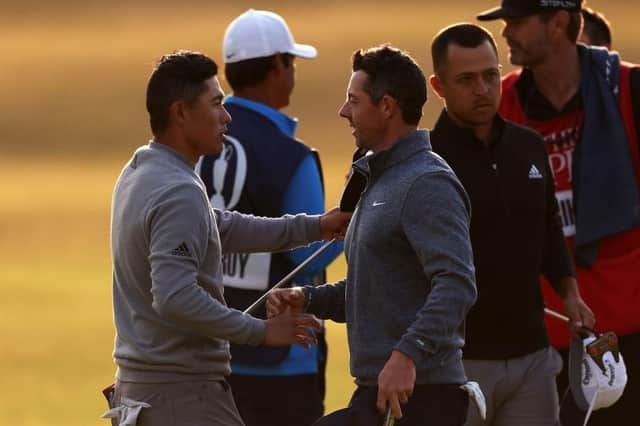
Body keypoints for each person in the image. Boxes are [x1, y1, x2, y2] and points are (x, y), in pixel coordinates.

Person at [105, 50, 351, 426]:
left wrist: (315, 226)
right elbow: (175, 297)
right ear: (181, 113)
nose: (227, 116)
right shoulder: (178, 190)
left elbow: (221, 227)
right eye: (216, 104)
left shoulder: (141, 168)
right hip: (184, 398)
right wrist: (261, 332)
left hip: (144, 391)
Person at [268, 45, 477, 426]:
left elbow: (457, 284)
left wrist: (407, 355)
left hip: (423, 396)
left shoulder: (427, 183)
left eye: (354, 100)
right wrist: (308, 298)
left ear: (387, 107)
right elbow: (378, 286)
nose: (343, 112)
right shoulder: (379, 179)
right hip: (379, 393)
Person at [477, 0, 640, 423]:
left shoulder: (631, 92)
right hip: (544, 348)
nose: (506, 32)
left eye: (518, 21)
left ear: (559, 24)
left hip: (633, 332)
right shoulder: (499, 106)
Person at [428, 23, 594, 425]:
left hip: (532, 358)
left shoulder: (528, 146)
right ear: (439, 86)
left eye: (489, 75)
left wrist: (569, 293)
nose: (483, 89)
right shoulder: (425, 160)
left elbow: (549, 227)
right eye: (466, 80)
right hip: (455, 365)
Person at [196, 9, 343, 426]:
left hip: (205, 350)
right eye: (291, 63)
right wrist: (354, 221)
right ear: (278, 66)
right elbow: (309, 259)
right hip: (282, 361)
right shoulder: (292, 157)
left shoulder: (193, 142)